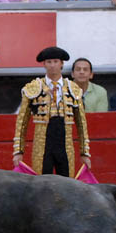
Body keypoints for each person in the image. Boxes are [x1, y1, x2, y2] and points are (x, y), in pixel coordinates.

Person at [13, 46, 91, 177]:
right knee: (42, 183)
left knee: (67, 182)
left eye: (55, 61)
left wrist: (85, 153)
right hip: (42, 145)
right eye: (49, 62)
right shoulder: (33, 88)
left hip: (65, 144)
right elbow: (22, 122)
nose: (52, 65)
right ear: (44, 64)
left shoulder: (73, 89)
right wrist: (18, 151)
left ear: (62, 64)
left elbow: (81, 124)